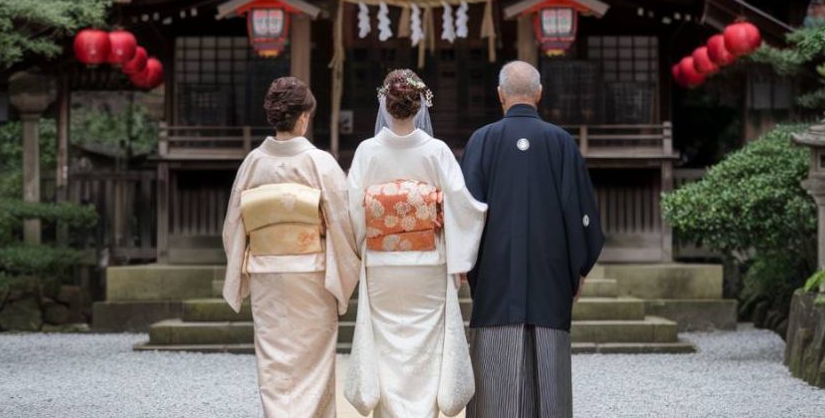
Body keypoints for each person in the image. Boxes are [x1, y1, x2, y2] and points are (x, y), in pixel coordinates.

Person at [461, 60, 605, 418]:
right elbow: (581, 213)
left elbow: (466, 211)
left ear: (500, 95)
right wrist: (579, 268)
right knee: (549, 378)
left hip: (495, 273)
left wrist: (464, 263)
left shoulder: (483, 140)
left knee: (494, 374)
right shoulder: (561, 142)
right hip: (551, 273)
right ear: (539, 94)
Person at [344, 69, 487, 418]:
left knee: (387, 347)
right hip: (427, 264)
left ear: (386, 105)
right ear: (420, 105)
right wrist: (460, 253)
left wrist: (366, 241)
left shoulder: (367, 151)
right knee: (425, 348)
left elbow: (351, 209)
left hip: (382, 265)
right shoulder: (436, 151)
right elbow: (461, 205)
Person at [220, 76, 360, 418]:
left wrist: (245, 266)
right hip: (311, 275)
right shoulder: (320, 163)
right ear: (303, 118)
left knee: (274, 362)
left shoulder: (253, 162)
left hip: (268, 274)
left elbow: (233, 227)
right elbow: (343, 222)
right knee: (312, 360)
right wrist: (346, 269)